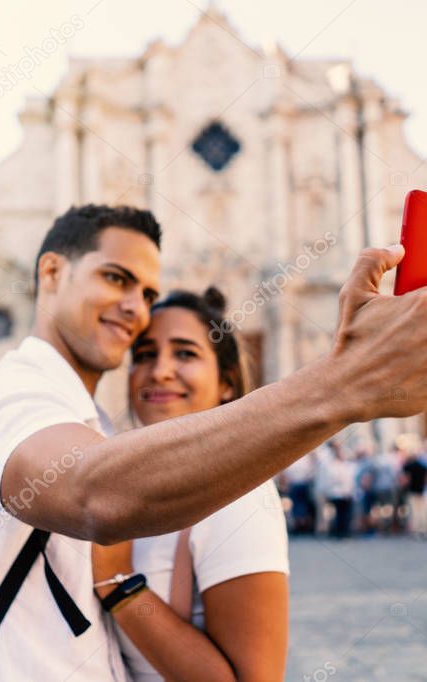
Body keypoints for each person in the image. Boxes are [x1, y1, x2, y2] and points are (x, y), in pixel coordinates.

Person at [0, 204, 427, 679]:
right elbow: (90, 491)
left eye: (147, 291)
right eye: (115, 278)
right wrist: (345, 383)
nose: (135, 308)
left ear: (224, 383)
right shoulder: (7, 390)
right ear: (50, 274)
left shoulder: (90, 421)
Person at [92, 287, 289, 680]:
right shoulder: (129, 487)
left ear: (226, 384)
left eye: (185, 353)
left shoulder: (237, 494)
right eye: (145, 355)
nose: (161, 370)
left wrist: (119, 585)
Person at [320, 439, 358, 539]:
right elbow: (331, 478)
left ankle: (345, 531)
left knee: (346, 514)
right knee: (339, 514)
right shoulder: (330, 463)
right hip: (336, 493)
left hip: (346, 492)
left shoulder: (346, 464)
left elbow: (350, 479)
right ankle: (339, 532)